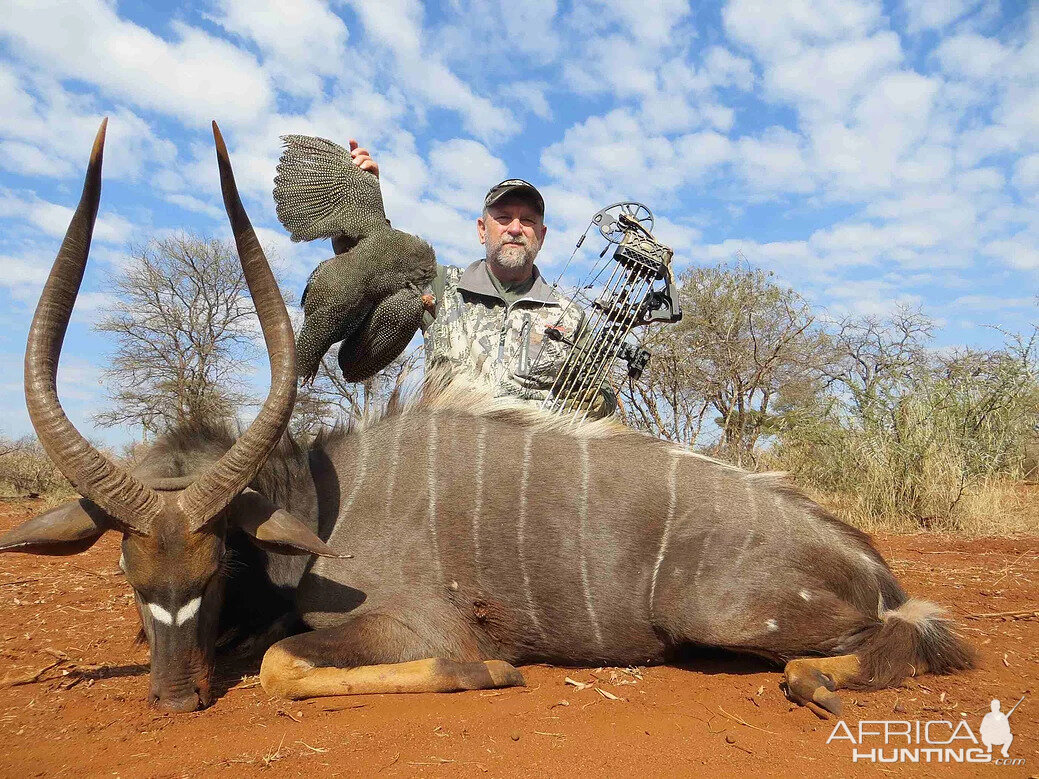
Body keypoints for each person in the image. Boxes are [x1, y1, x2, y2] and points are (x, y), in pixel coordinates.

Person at [341, 141, 616, 418]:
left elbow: (602, 400)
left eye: (528, 221)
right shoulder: (439, 285)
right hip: (447, 453)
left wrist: (587, 399)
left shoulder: (569, 316)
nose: (515, 229)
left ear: (541, 236)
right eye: (504, 218)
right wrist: (361, 198)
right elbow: (370, 260)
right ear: (482, 230)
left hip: (534, 457)